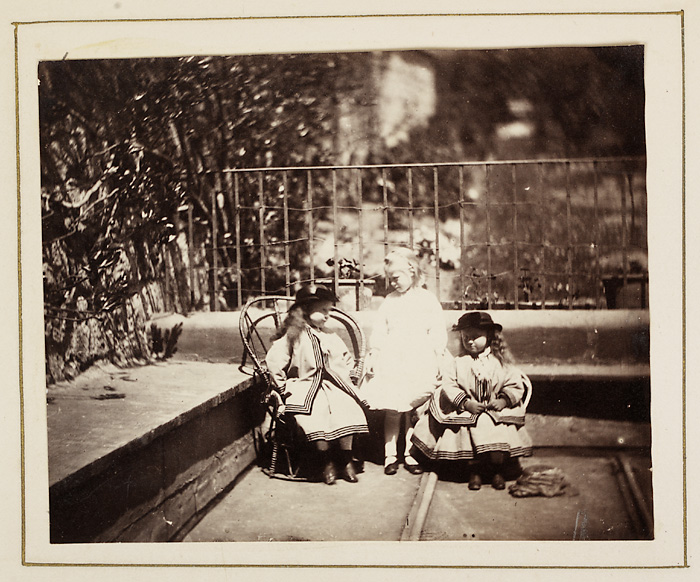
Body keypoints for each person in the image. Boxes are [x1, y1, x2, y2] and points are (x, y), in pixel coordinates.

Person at [411, 311, 533, 490]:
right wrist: (466, 403)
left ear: (489, 336)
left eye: (476, 337)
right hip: (467, 409)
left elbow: (514, 384)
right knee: (472, 428)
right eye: (466, 337)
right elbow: (449, 386)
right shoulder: (457, 363)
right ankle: (474, 471)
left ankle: (496, 471)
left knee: (494, 426)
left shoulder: (500, 363)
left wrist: (503, 401)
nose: (470, 341)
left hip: (495, 410)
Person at [265, 284, 369, 485]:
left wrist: (349, 374)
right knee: (315, 412)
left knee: (346, 406)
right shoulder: (294, 334)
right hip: (304, 384)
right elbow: (275, 360)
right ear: (305, 309)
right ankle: (325, 461)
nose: (327, 315)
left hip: (333, 384)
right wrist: (281, 387)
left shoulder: (331, 335)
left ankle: (345, 459)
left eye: (329, 310)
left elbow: (344, 358)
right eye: (322, 310)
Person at [361, 248, 447, 475]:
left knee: (410, 408)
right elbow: (380, 330)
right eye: (390, 279)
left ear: (411, 270)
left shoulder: (427, 299)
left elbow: (437, 330)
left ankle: (409, 454)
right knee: (393, 408)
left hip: (419, 358)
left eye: (396, 278)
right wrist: (375, 352)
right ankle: (390, 455)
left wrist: (439, 356)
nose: (393, 283)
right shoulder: (390, 300)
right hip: (393, 359)